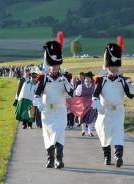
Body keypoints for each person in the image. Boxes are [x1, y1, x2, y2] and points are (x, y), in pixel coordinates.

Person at [92, 37, 134, 167]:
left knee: (118, 133)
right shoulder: (101, 80)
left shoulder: (123, 80)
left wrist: (131, 86)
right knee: (104, 134)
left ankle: (118, 156)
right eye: (111, 66)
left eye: (116, 66)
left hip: (118, 111)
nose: (114, 68)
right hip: (105, 112)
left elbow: (131, 95)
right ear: (106, 67)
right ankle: (107, 156)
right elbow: (95, 95)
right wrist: (97, 104)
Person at [33, 40, 73, 169]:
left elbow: (71, 93)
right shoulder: (43, 78)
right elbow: (37, 93)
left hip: (60, 110)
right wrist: (38, 102)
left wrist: (66, 82)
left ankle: (59, 160)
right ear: (49, 66)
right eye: (53, 65)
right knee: (48, 135)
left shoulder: (65, 78)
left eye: (57, 65)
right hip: (47, 112)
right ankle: (50, 159)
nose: (55, 68)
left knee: (60, 134)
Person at [75, 71, 96, 136]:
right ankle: (83, 130)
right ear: (84, 79)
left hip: (91, 103)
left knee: (90, 117)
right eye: (86, 78)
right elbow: (77, 94)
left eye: (89, 78)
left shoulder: (94, 86)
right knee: (83, 117)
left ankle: (90, 132)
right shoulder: (80, 86)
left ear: (91, 79)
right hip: (83, 103)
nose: (87, 80)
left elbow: (96, 94)